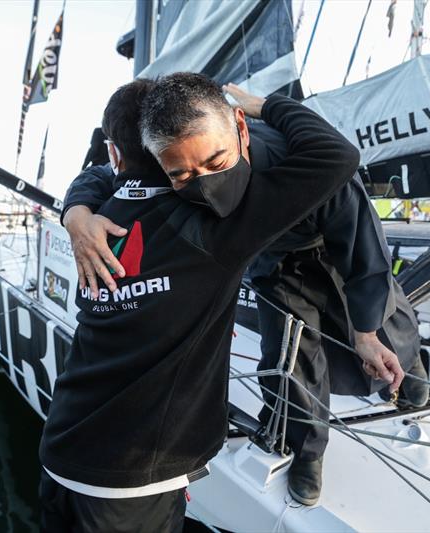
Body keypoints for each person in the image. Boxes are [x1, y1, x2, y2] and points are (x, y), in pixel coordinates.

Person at [39, 73, 390, 531]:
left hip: (62, 447)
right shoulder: (217, 228)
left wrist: (76, 210)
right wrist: (267, 106)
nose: (203, 184)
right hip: (133, 480)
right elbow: (336, 156)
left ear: (113, 153)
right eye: (183, 172)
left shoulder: (99, 220)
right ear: (159, 155)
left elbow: (95, 176)